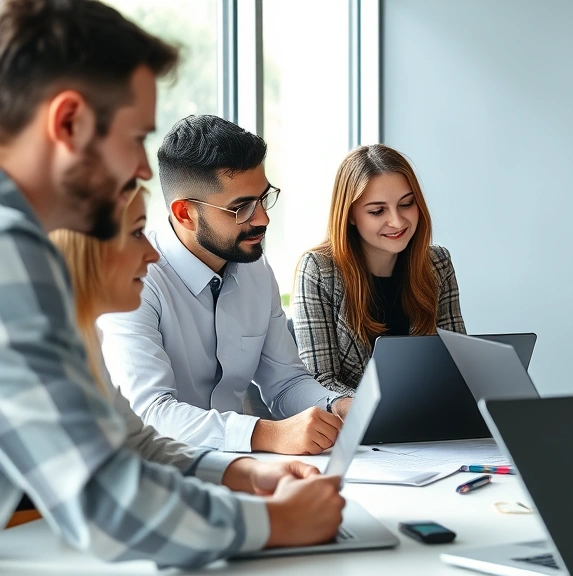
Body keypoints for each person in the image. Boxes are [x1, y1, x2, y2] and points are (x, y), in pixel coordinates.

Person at [0, 0, 342, 565]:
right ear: (67, 124)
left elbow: (129, 443)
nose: (141, 167)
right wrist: (273, 522)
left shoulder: (36, 253)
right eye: (136, 137)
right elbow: (100, 500)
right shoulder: (14, 251)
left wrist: (242, 473)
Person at [98, 115, 350, 454]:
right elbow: (150, 413)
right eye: (241, 207)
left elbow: (286, 383)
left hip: (237, 472)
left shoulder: (256, 270)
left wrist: (338, 405)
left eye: (263, 198)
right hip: (156, 475)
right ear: (185, 213)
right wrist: (266, 434)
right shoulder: (134, 280)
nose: (262, 218)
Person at [292, 144, 466, 395]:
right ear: (350, 215)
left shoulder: (437, 264)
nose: (397, 221)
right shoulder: (318, 270)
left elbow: (455, 365)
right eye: (377, 211)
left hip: (427, 419)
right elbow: (321, 382)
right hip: (353, 427)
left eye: (406, 204)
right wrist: (380, 409)